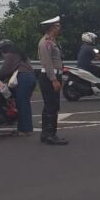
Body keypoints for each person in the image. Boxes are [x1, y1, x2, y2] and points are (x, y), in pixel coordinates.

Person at [0, 39, 36, 136]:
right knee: (22, 104)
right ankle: (22, 128)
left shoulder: (9, 55)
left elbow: (5, 70)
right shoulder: (20, 54)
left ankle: (25, 130)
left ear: (2, 50)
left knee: (22, 105)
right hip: (30, 78)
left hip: (22, 79)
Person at [37, 16, 68, 145]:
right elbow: (47, 63)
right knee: (51, 106)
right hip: (49, 77)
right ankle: (50, 135)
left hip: (54, 75)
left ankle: (46, 133)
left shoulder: (53, 41)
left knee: (51, 106)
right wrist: (54, 79)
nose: (59, 28)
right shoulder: (46, 42)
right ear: (51, 28)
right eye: (57, 26)